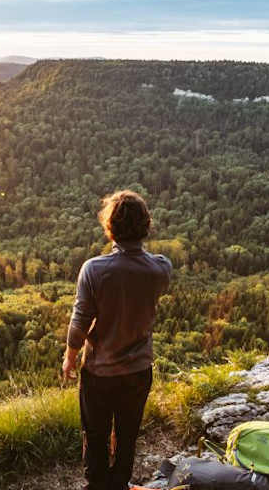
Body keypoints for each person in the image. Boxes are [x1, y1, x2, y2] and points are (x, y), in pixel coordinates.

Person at [63, 190, 173, 490]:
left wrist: (70, 357)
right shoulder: (161, 269)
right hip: (138, 370)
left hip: (99, 372)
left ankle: (97, 484)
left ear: (110, 227)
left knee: (95, 433)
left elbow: (80, 321)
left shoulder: (94, 270)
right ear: (146, 225)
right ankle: (120, 482)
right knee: (127, 434)